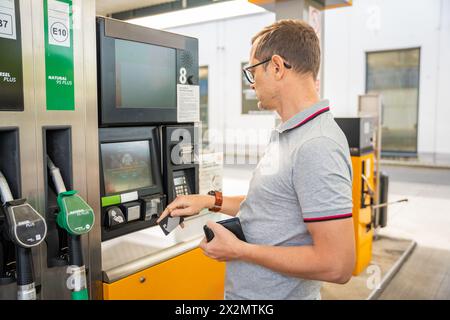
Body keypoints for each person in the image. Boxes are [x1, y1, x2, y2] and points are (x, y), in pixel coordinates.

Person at [157, 19, 355, 300]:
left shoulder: (316, 145)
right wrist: (209, 201)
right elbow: (270, 205)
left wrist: (239, 250)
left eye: (252, 71)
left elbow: (338, 265)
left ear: (276, 67)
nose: (251, 84)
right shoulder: (292, 133)